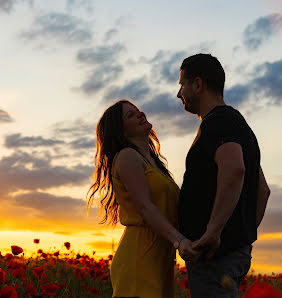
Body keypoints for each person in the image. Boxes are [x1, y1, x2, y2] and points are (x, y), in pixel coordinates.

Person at [176, 53, 271, 297]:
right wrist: (241, 238)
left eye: (181, 85)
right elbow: (263, 191)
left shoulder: (218, 122)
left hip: (214, 260)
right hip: (228, 255)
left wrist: (214, 232)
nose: (179, 94)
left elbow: (234, 169)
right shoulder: (239, 125)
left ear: (198, 84)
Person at [87, 99, 200, 298]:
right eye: (131, 115)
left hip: (160, 256)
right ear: (121, 131)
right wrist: (179, 240)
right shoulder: (127, 157)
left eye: (137, 110)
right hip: (140, 255)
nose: (140, 114)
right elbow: (145, 207)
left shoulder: (152, 162)